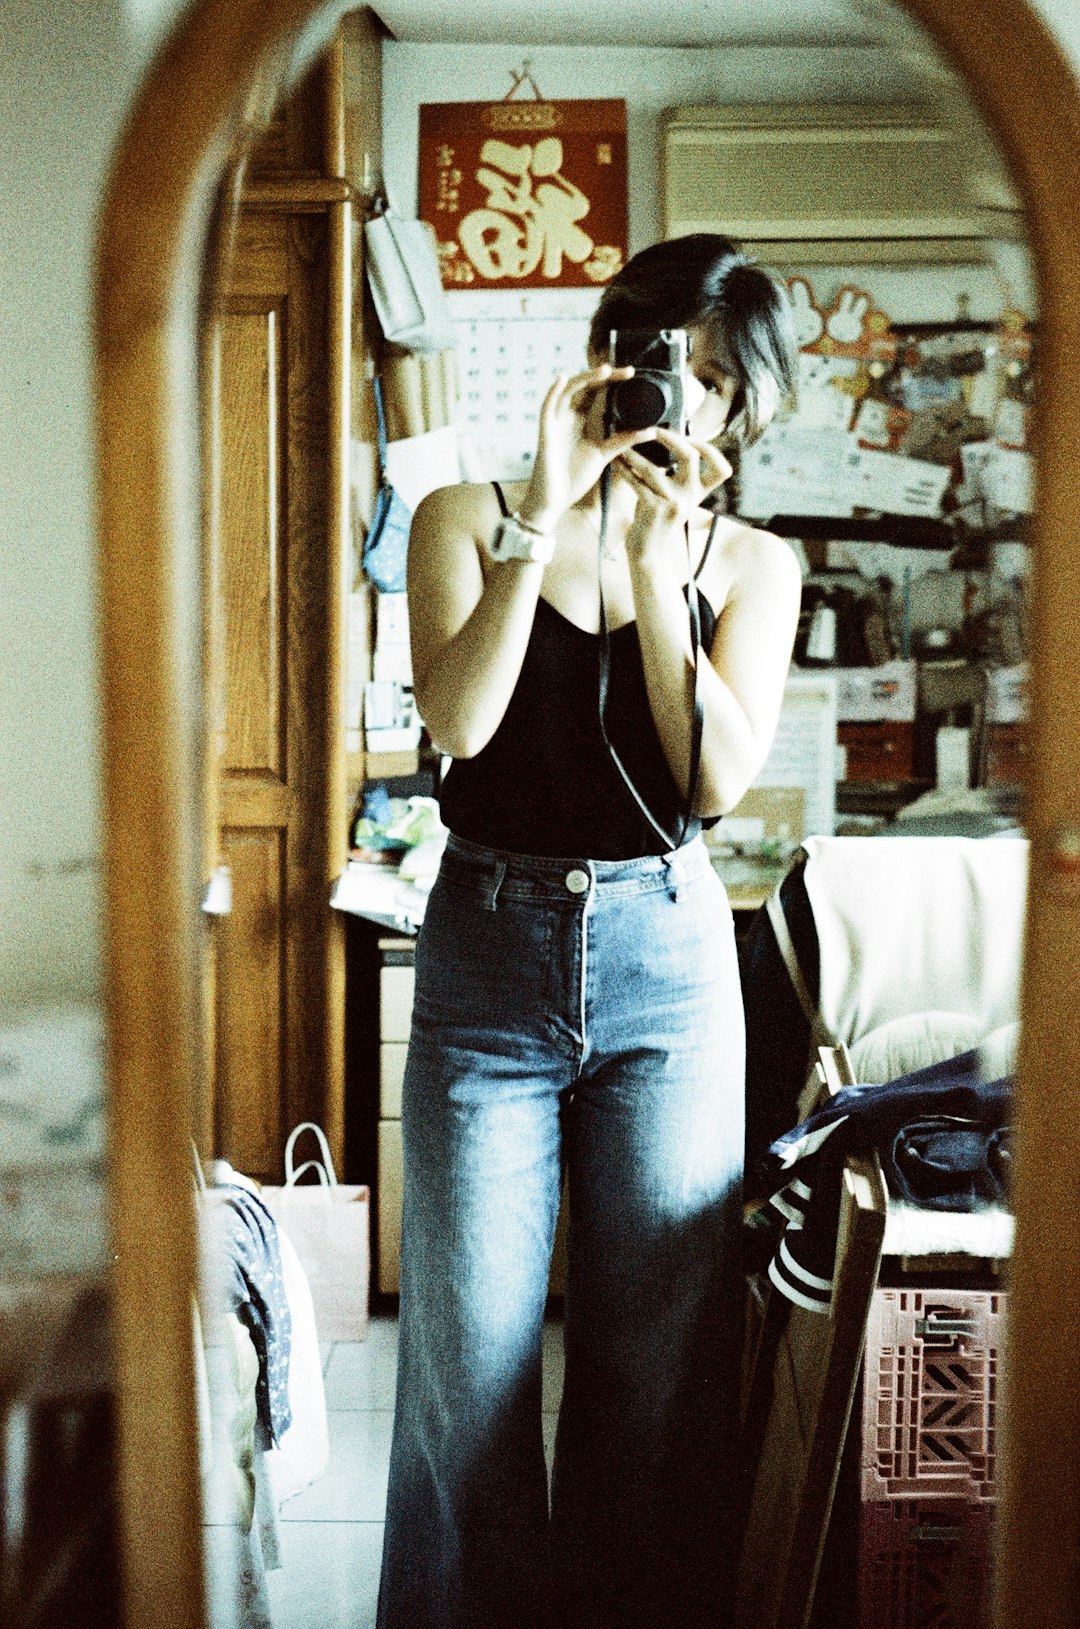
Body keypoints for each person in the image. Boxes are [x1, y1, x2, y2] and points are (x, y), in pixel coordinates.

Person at [376, 234, 802, 1629]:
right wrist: (542, 518)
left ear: (747, 411)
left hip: (667, 963)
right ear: (610, 357)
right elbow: (459, 724)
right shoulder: (459, 513)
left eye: (724, 385)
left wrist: (656, 569)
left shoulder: (751, 562)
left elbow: (713, 781)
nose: (693, 404)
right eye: (673, 364)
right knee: (472, 1358)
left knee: (657, 1366)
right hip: (487, 949)